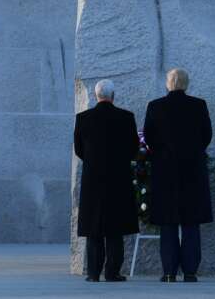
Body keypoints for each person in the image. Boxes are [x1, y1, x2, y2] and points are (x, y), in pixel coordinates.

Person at [143, 68, 213, 283]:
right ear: (186, 84)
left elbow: (149, 137)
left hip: (165, 172)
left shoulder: (155, 106)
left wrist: (163, 155)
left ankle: (169, 271)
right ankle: (190, 271)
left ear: (168, 84)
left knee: (168, 222)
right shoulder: (199, 105)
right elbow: (206, 136)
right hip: (192, 170)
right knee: (191, 223)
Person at [74, 79, 140, 283]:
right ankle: (112, 272)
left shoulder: (83, 118)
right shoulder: (126, 117)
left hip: (93, 178)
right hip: (118, 178)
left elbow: (79, 149)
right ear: (113, 95)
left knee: (94, 229)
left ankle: (93, 273)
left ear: (96, 95)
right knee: (115, 229)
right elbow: (133, 149)